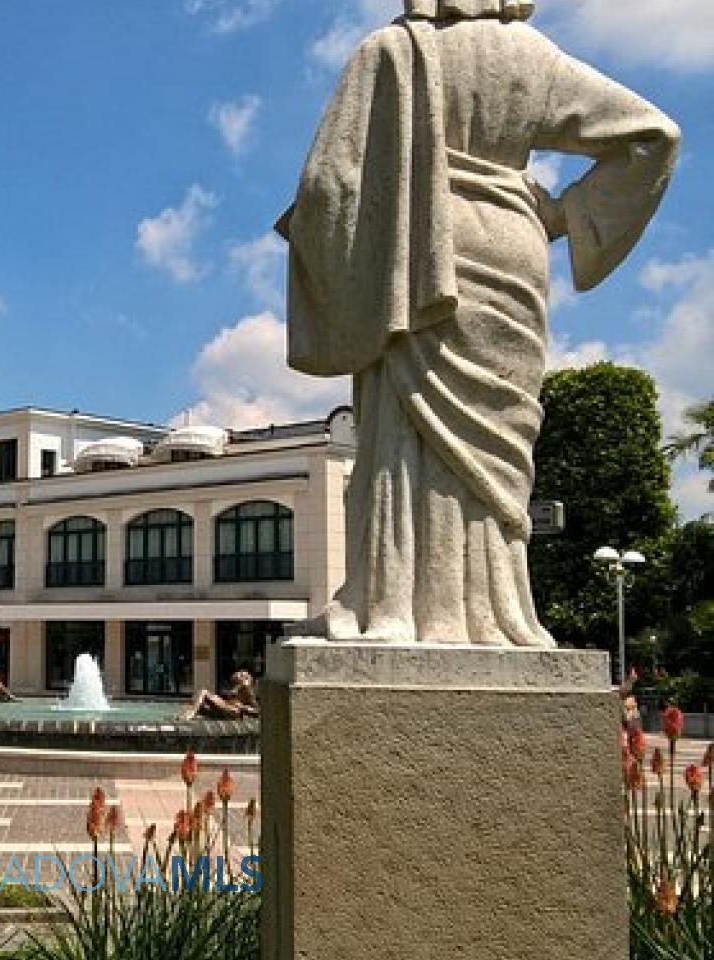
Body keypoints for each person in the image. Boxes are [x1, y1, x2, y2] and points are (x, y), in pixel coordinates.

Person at [280, 0, 679, 646]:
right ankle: (499, 615)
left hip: (413, 249)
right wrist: (565, 215)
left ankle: (394, 605)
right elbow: (652, 137)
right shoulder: (529, 54)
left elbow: (329, 186)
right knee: (496, 442)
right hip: (510, 245)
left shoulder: (388, 52)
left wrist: (323, 255)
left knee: (401, 430)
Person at [182, 670, 259, 721]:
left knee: (204, 693)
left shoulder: (247, 688)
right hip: (228, 707)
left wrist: (242, 707)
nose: (238, 675)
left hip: (234, 710)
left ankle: (192, 713)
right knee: (201, 704)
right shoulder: (238, 687)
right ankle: (192, 712)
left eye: (241, 674)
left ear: (245, 678)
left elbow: (256, 710)